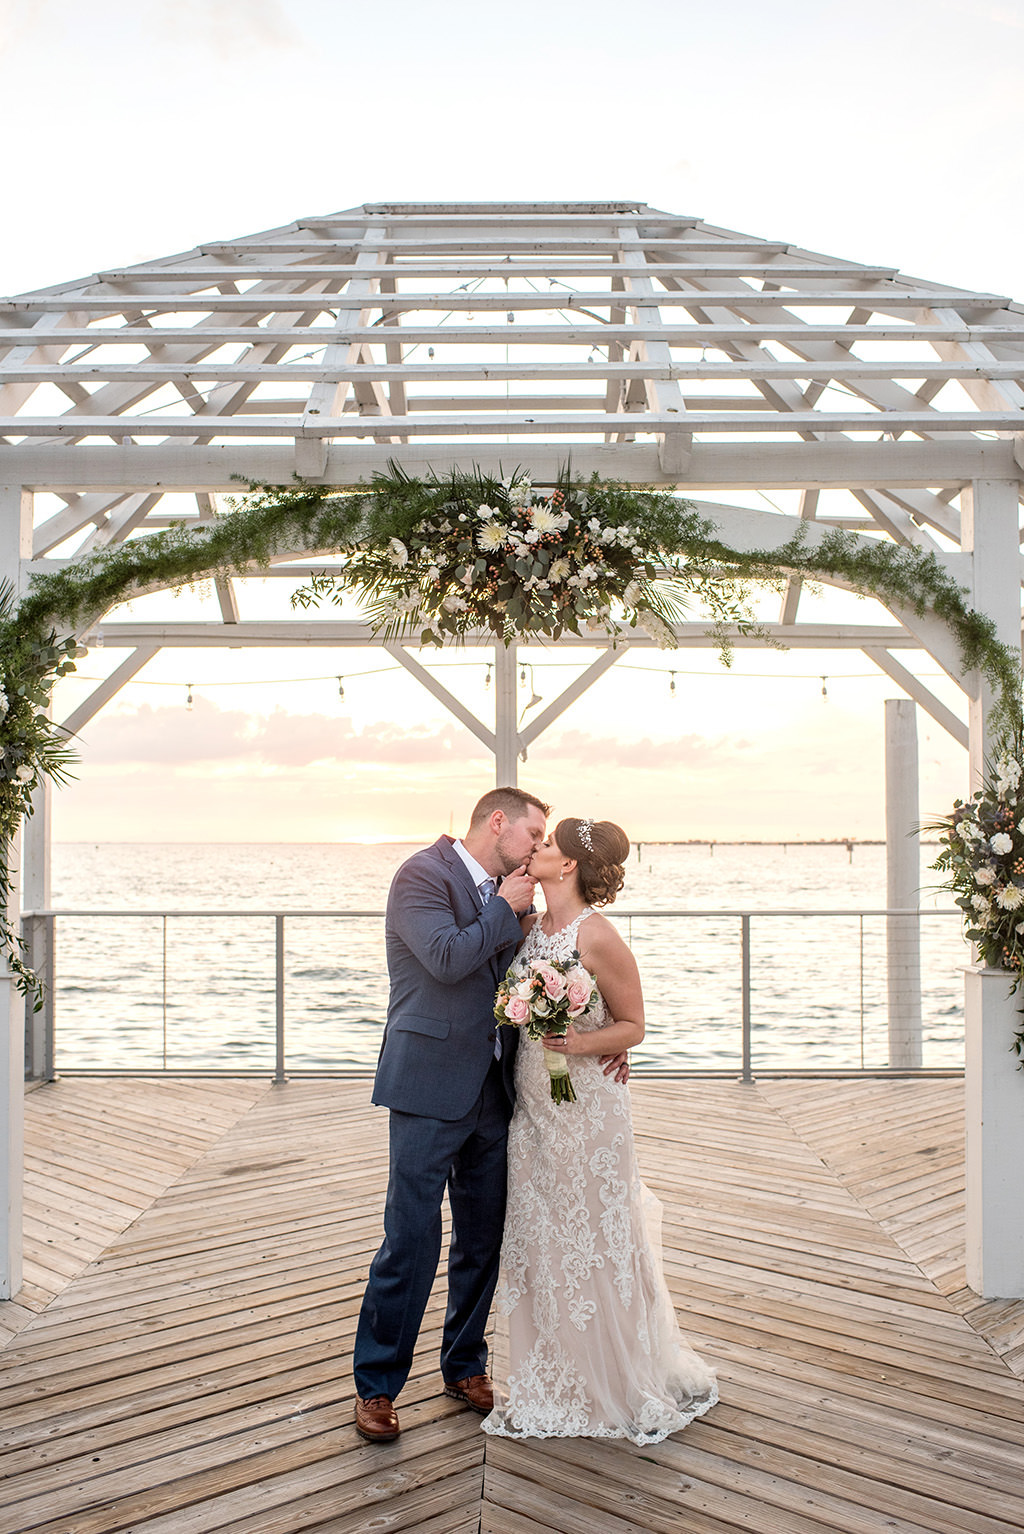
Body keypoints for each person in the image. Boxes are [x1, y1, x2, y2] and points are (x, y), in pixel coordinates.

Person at [482, 816, 719, 1444]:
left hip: (586, 1109)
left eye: (550, 844)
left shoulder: (601, 938)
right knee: (541, 1234)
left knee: (591, 1232)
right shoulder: (530, 927)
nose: (539, 847)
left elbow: (634, 1025)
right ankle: (553, 1376)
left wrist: (583, 1041)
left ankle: (611, 1380)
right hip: (533, 1108)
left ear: (569, 868)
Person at [351, 786, 549, 1443]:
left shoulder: (507, 895)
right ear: (498, 823)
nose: (538, 850)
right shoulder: (420, 875)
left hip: (492, 1089)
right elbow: (442, 959)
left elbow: (512, 983)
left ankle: (465, 1365)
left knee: (482, 1236)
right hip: (428, 1086)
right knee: (410, 1239)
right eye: (533, 835)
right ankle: (377, 1387)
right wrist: (505, 910)